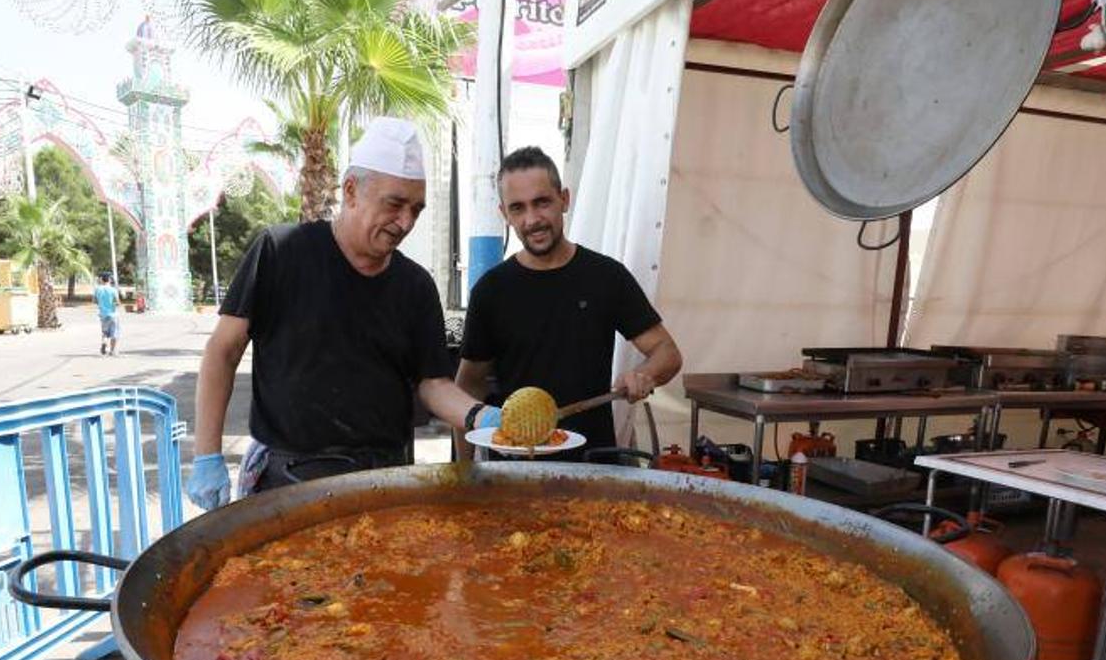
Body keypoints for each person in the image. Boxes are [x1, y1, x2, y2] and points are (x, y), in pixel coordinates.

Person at [184, 117, 501, 511]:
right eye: (395, 204)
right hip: (289, 479)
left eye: (416, 209)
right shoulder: (281, 252)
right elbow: (223, 351)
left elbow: (432, 384)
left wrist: (482, 417)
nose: (406, 222)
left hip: (386, 479)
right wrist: (206, 454)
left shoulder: (415, 286)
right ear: (351, 191)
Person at [456, 146, 682, 457]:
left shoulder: (606, 276)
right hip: (514, 469)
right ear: (504, 214)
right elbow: (468, 388)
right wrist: (466, 475)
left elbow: (667, 352)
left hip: (594, 465)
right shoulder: (492, 290)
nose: (532, 219)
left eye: (542, 202)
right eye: (518, 208)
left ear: (564, 199)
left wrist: (645, 374)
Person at [94, 271, 120, 356]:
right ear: (109, 279)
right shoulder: (113, 290)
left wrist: (101, 304)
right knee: (114, 333)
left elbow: (95, 301)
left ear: (102, 279)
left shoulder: (98, 289)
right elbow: (117, 302)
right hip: (113, 314)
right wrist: (114, 304)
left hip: (103, 315)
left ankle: (104, 343)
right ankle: (112, 351)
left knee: (104, 332)